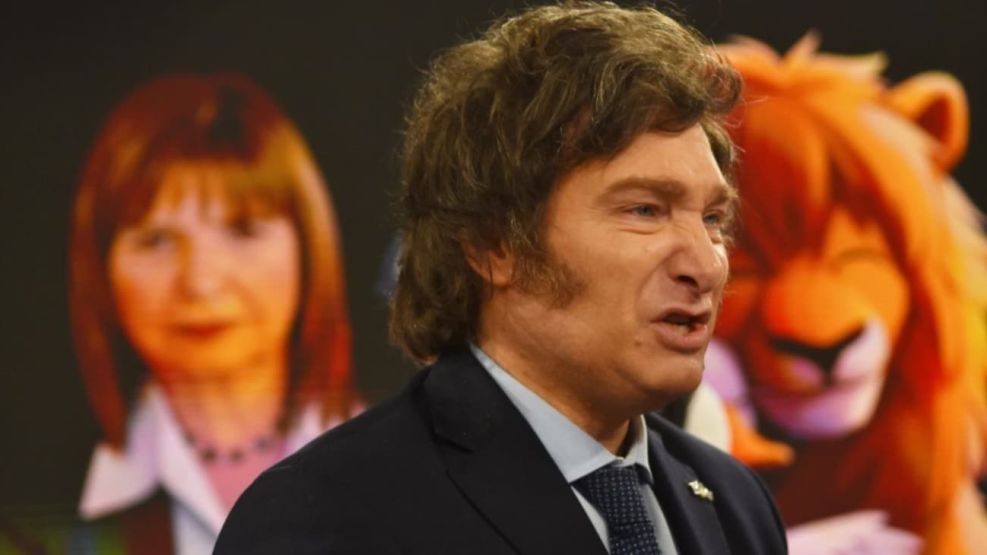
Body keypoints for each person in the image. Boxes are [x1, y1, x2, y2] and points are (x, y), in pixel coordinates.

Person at [216, 2, 788, 554]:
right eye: (644, 210)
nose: (706, 265)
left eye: (712, 218)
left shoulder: (734, 504)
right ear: (494, 245)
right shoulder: (328, 518)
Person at [69, 73, 359, 554]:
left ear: (310, 249)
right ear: (101, 271)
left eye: (243, 230)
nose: (201, 282)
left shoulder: (409, 464)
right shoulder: (58, 505)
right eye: (156, 240)